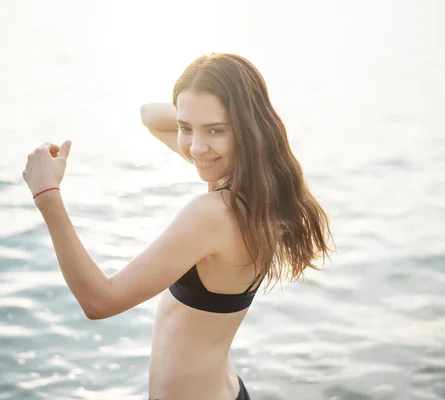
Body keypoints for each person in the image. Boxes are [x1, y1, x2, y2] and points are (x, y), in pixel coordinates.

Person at [23, 53, 334, 400]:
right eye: (186, 128)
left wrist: (47, 196)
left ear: (247, 127)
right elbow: (149, 116)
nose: (196, 148)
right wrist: (201, 112)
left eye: (215, 130)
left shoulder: (214, 214)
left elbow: (100, 302)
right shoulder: (258, 188)